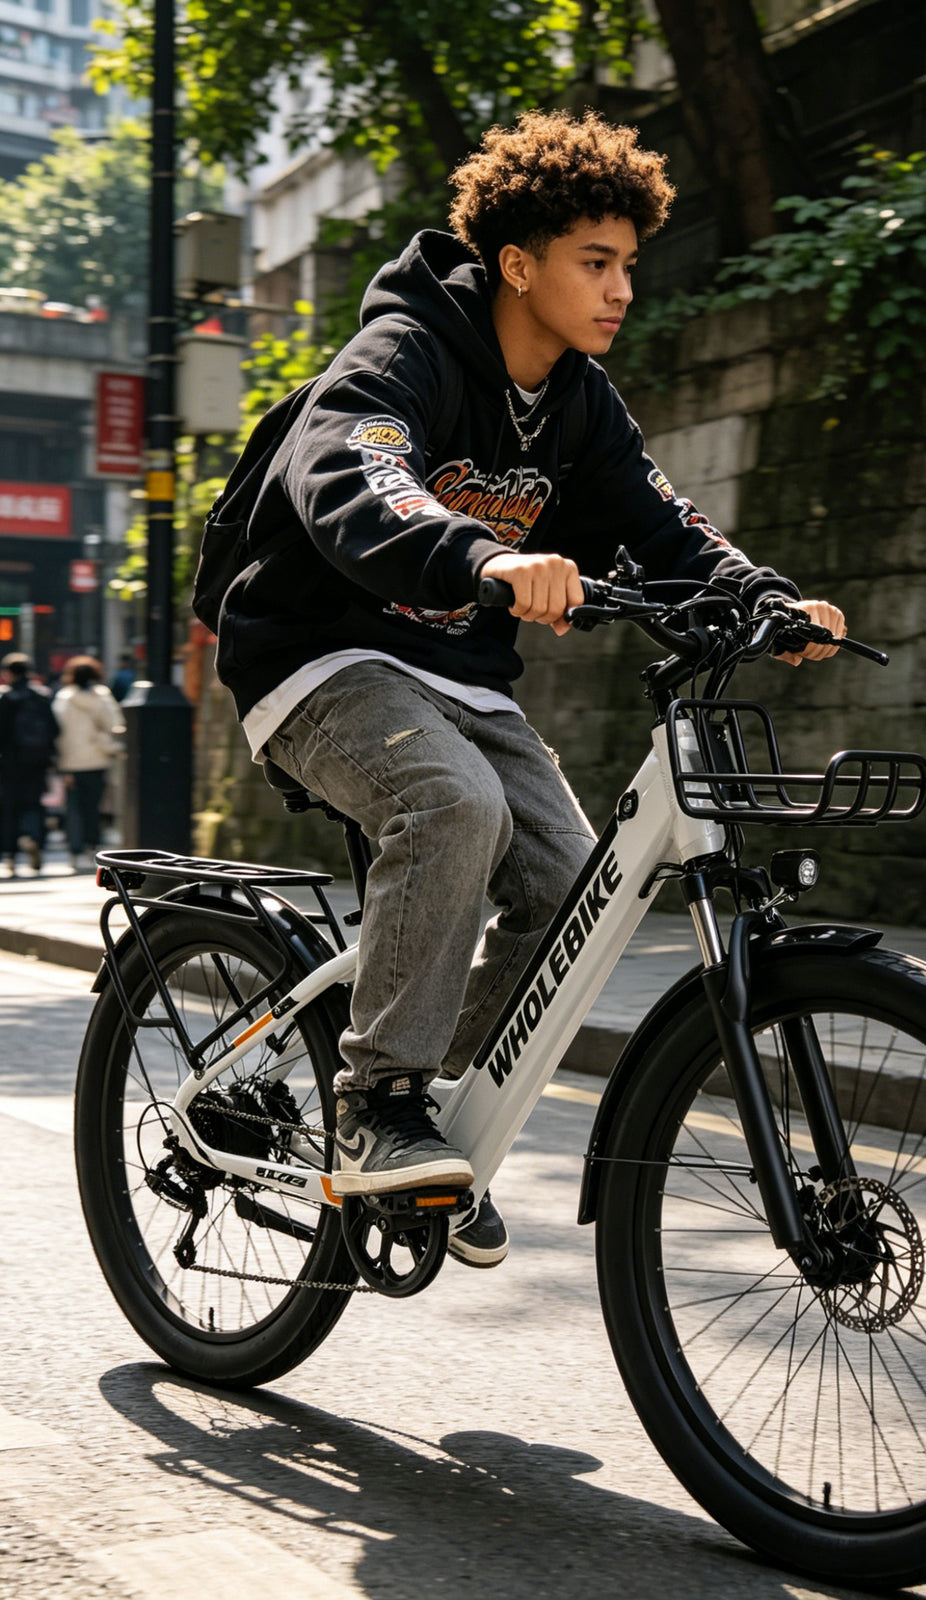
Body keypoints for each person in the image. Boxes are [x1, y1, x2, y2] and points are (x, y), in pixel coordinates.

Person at [211, 109, 845, 1268]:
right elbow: (352, 464)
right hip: (316, 652)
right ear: (518, 264)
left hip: (457, 671)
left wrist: (763, 596)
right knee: (455, 807)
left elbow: (661, 522)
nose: (619, 292)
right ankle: (378, 1100)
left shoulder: (581, 403)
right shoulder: (406, 351)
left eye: (628, 266)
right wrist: (485, 556)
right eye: (593, 264)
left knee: (571, 886)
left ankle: (433, 1124)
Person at [52, 655, 125, 872]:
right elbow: (116, 725)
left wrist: (59, 761)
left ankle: (75, 850)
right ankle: (92, 845)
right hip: (97, 759)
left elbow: (57, 732)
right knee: (93, 806)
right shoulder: (103, 697)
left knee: (73, 807)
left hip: (70, 762)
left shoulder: (64, 698)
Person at [0, 652, 59, 877]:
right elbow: (54, 730)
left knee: (10, 807)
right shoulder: (42, 696)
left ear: (7, 673)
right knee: (34, 803)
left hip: (10, 762)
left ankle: (12, 856)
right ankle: (33, 837)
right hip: (37, 761)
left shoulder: (6, 698)